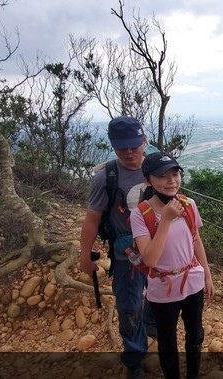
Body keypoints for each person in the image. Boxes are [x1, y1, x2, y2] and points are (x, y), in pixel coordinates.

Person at [79, 116, 154, 379]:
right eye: (123, 147)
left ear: (144, 140)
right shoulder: (106, 177)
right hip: (127, 254)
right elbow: (92, 219)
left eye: (134, 145)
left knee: (158, 295)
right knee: (129, 305)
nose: (130, 151)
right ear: (112, 145)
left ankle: (152, 325)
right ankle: (134, 359)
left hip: (158, 247)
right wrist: (85, 255)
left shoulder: (157, 169)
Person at [130, 152, 214, 379]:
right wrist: (165, 219)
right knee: (167, 341)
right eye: (162, 176)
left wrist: (207, 274)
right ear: (148, 180)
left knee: (195, 335)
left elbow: (196, 240)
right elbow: (150, 259)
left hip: (192, 281)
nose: (171, 181)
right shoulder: (140, 214)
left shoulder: (188, 204)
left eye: (175, 174)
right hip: (163, 287)